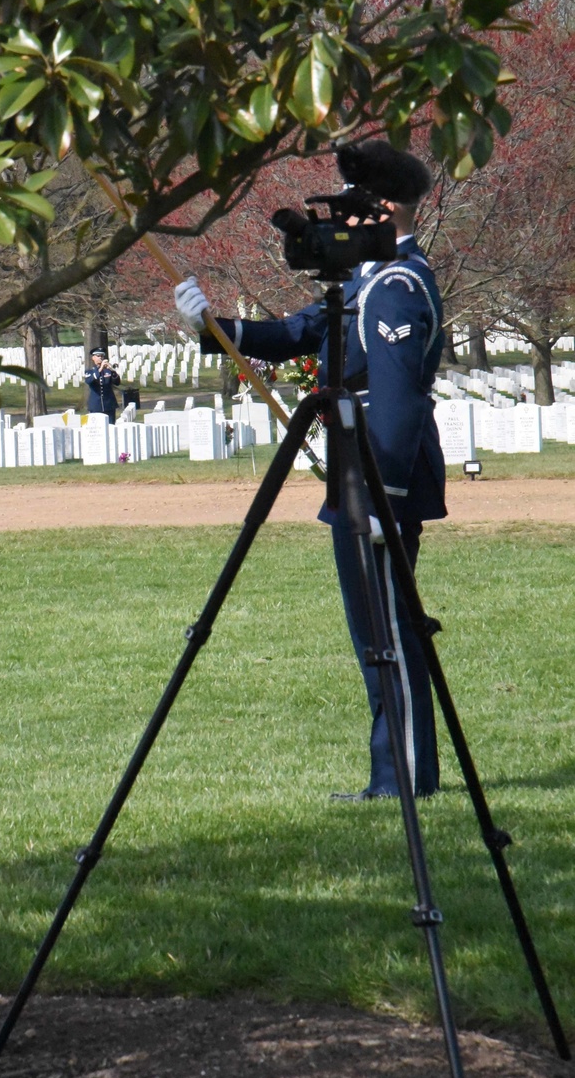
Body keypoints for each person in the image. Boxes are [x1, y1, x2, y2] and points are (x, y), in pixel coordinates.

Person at [174, 141, 446, 801]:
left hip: (381, 478)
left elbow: (401, 398)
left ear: (383, 209)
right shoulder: (364, 280)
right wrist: (215, 327)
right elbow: (299, 332)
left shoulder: (398, 285)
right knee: (371, 630)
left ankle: (404, 777)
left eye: (352, 207)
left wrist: (388, 499)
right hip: (359, 473)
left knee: (387, 633)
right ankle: (396, 773)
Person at [84, 348, 121, 424]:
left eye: (102, 356)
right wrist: (100, 369)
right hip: (96, 405)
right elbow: (89, 381)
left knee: (110, 427)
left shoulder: (108, 371)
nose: (100, 358)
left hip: (109, 404)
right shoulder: (89, 371)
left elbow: (117, 382)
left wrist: (112, 371)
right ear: (93, 358)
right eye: (98, 356)